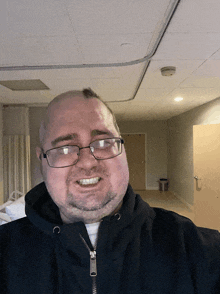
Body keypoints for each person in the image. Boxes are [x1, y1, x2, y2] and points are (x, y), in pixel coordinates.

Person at [0, 88, 220, 294]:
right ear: (42, 160)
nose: (87, 163)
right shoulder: (6, 253)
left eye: (103, 142)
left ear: (122, 150)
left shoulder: (195, 249)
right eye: (64, 148)